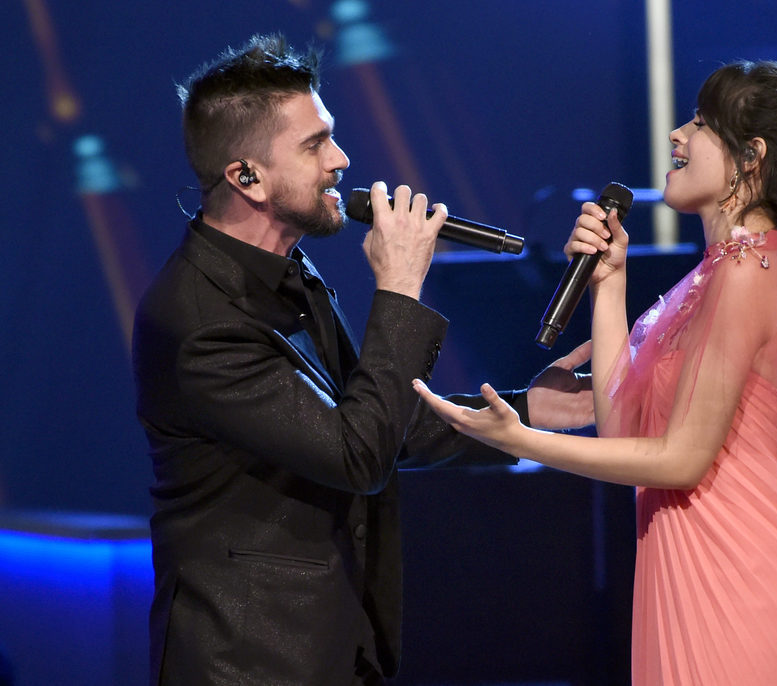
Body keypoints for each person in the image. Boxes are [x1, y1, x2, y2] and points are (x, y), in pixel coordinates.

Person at [415, 61, 777, 684]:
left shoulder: (752, 271)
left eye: (700, 122)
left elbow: (681, 460)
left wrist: (519, 440)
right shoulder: (720, 274)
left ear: (750, 156)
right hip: (693, 575)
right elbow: (624, 430)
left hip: (742, 589)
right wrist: (610, 286)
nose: (677, 136)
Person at [132, 34, 592, 686]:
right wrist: (400, 287)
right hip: (249, 660)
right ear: (246, 176)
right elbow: (357, 455)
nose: (342, 161)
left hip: (333, 644)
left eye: (332, 136)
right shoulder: (199, 324)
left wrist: (527, 411)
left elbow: (372, 415)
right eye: (314, 144)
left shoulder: (289, 269)